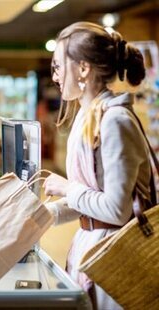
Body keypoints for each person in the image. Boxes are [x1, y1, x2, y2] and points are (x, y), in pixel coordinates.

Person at [42, 22, 150, 309]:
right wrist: (46, 215)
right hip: (93, 247)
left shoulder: (115, 120)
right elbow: (90, 199)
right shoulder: (88, 116)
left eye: (58, 66)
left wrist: (66, 187)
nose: (55, 76)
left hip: (116, 257)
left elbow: (116, 211)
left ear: (83, 69)